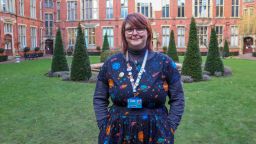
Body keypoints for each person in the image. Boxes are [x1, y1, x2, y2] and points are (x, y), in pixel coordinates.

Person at [94, 13, 184, 144]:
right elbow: (99, 97)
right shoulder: (112, 63)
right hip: (117, 131)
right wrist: (103, 124)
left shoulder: (165, 63)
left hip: (156, 132)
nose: (134, 33)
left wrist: (170, 127)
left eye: (140, 28)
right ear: (124, 33)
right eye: (130, 29)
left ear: (148, 32)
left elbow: (178, 99)